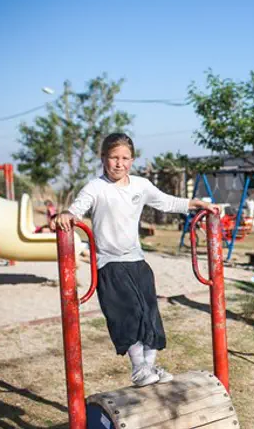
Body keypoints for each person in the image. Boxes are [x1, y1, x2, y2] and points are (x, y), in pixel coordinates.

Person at [51, 132, 212, 387]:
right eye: (114, 157)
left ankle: (149, 366)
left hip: (137, 260)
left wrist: (195, 204)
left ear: (132, 159)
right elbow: (77, 209)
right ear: (104, 158)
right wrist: (67, 215)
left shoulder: (140, 185)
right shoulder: (96, 187)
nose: (119, 163)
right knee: (129, 314)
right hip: (110, 263)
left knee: (149, 314)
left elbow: (167, 202)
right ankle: (138, 368)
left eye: (125, 158)